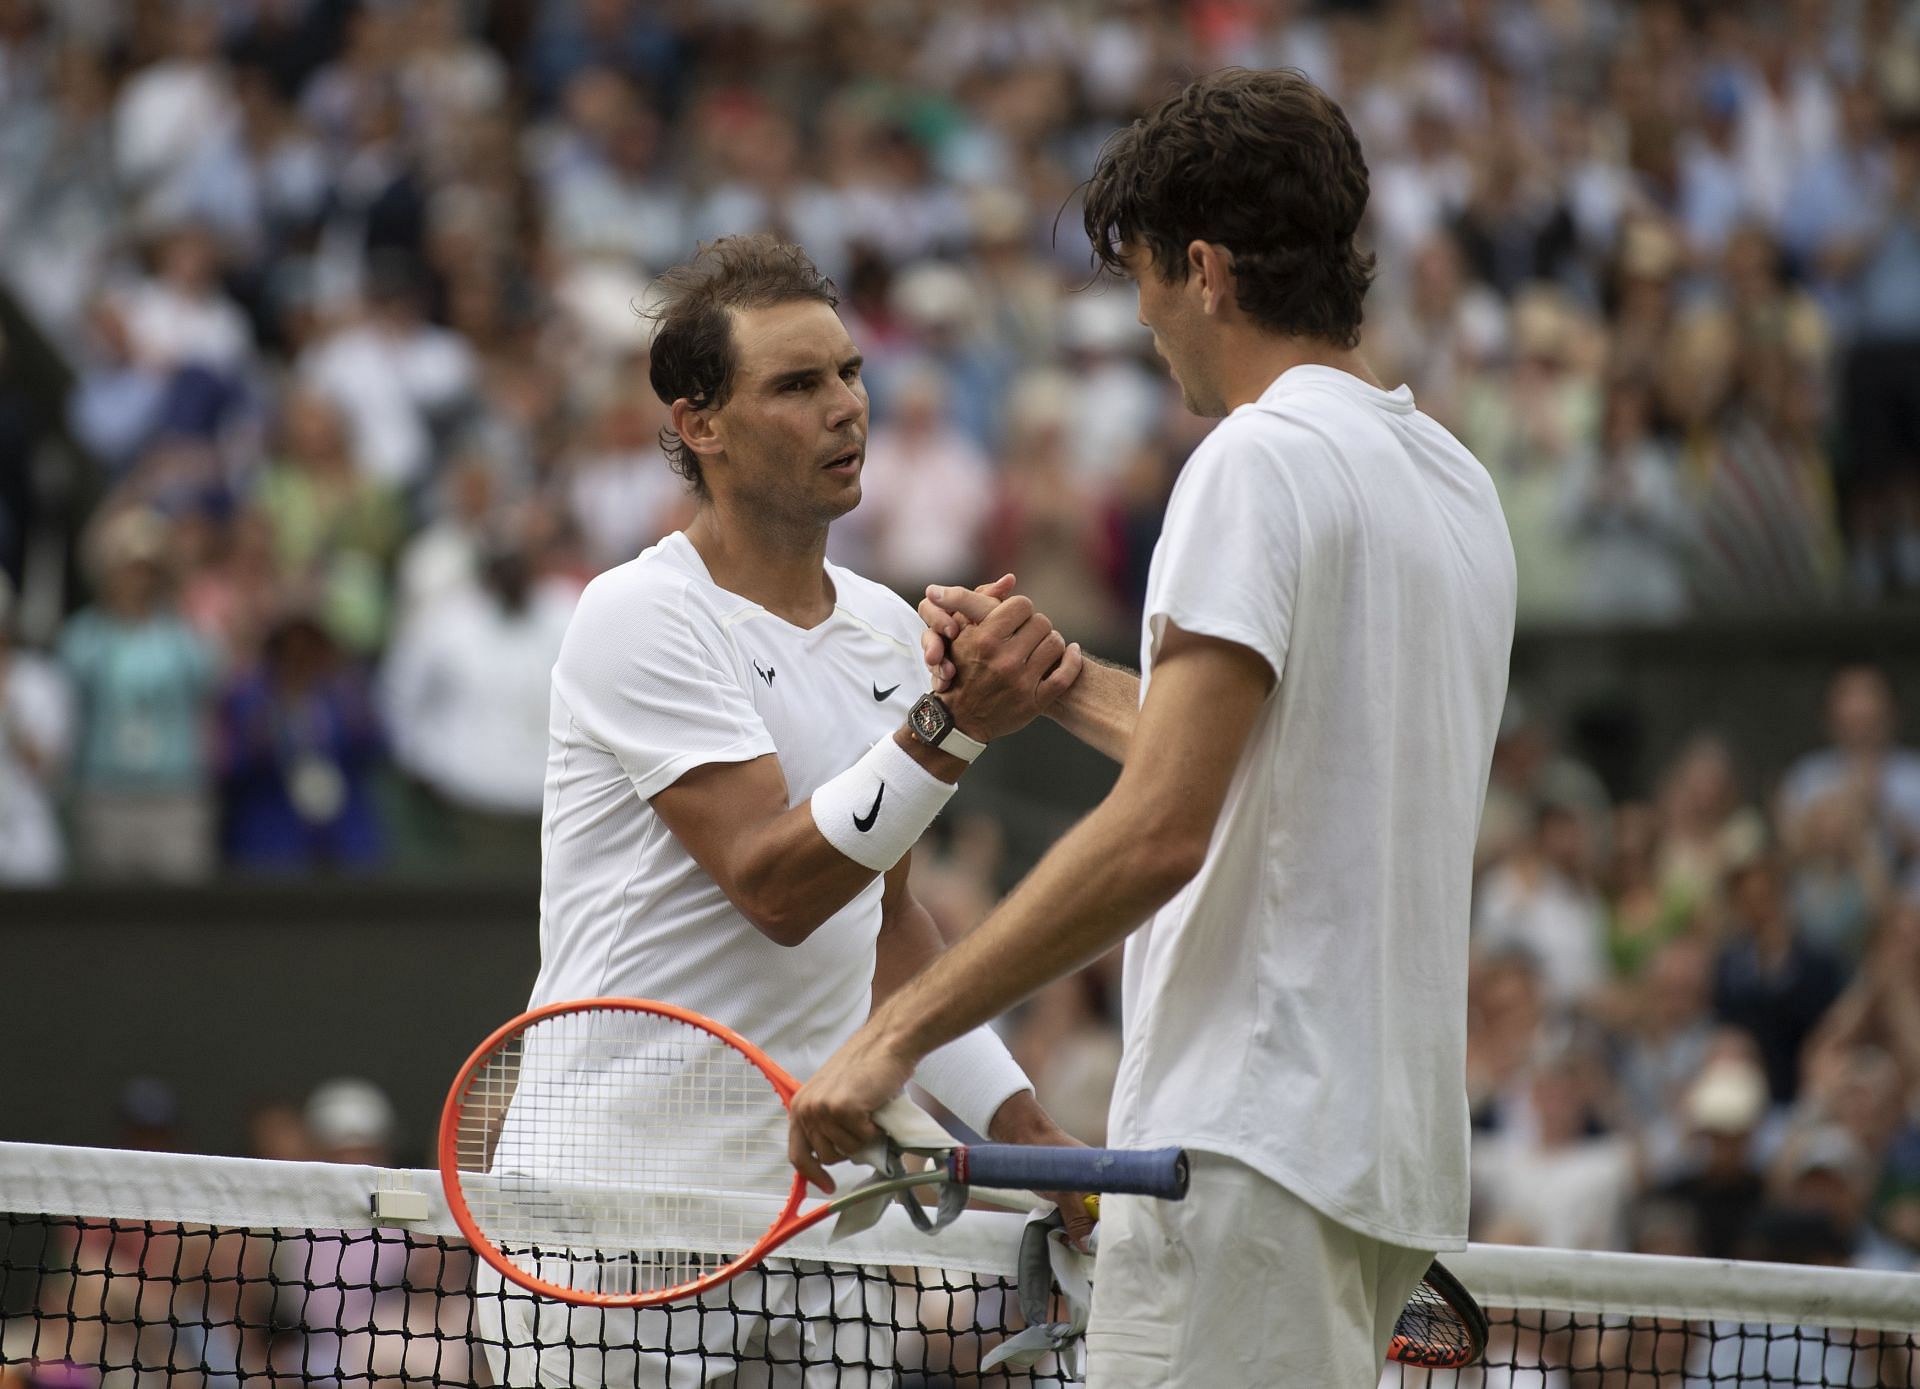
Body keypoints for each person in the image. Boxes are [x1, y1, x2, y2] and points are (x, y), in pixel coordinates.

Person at [789, 68, 1517, 1388]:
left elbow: (1164, 830)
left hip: (1242, 1152)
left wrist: (893, 1034)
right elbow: (1273, 773)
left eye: (1140, 280)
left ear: (1203, 269)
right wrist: (1062, 678)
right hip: (1381, 1172)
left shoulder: (1252, 460)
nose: (1143, 321)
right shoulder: (1454, 484)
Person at [482, 233, 1084, 1387]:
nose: (846, 409)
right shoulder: (637, 617)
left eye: (849, 374)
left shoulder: (886, 630)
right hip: (617, 1217)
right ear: (699, 422)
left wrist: (1021, 1125)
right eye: (798, 386)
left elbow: (886, 931)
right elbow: (775, 888)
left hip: (817, 1220)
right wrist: (950, 728)